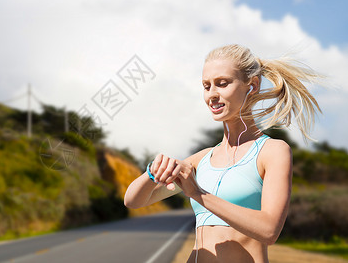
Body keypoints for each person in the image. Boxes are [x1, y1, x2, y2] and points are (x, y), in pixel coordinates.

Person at [124, 44, 322, 263]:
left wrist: (199, 194)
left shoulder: (273, 151)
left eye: (222, 83)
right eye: (206, 86)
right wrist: (154, 173)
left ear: (252, 86)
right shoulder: (202, 158)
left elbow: (269, 230)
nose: (212, 94)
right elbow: (133, 201)